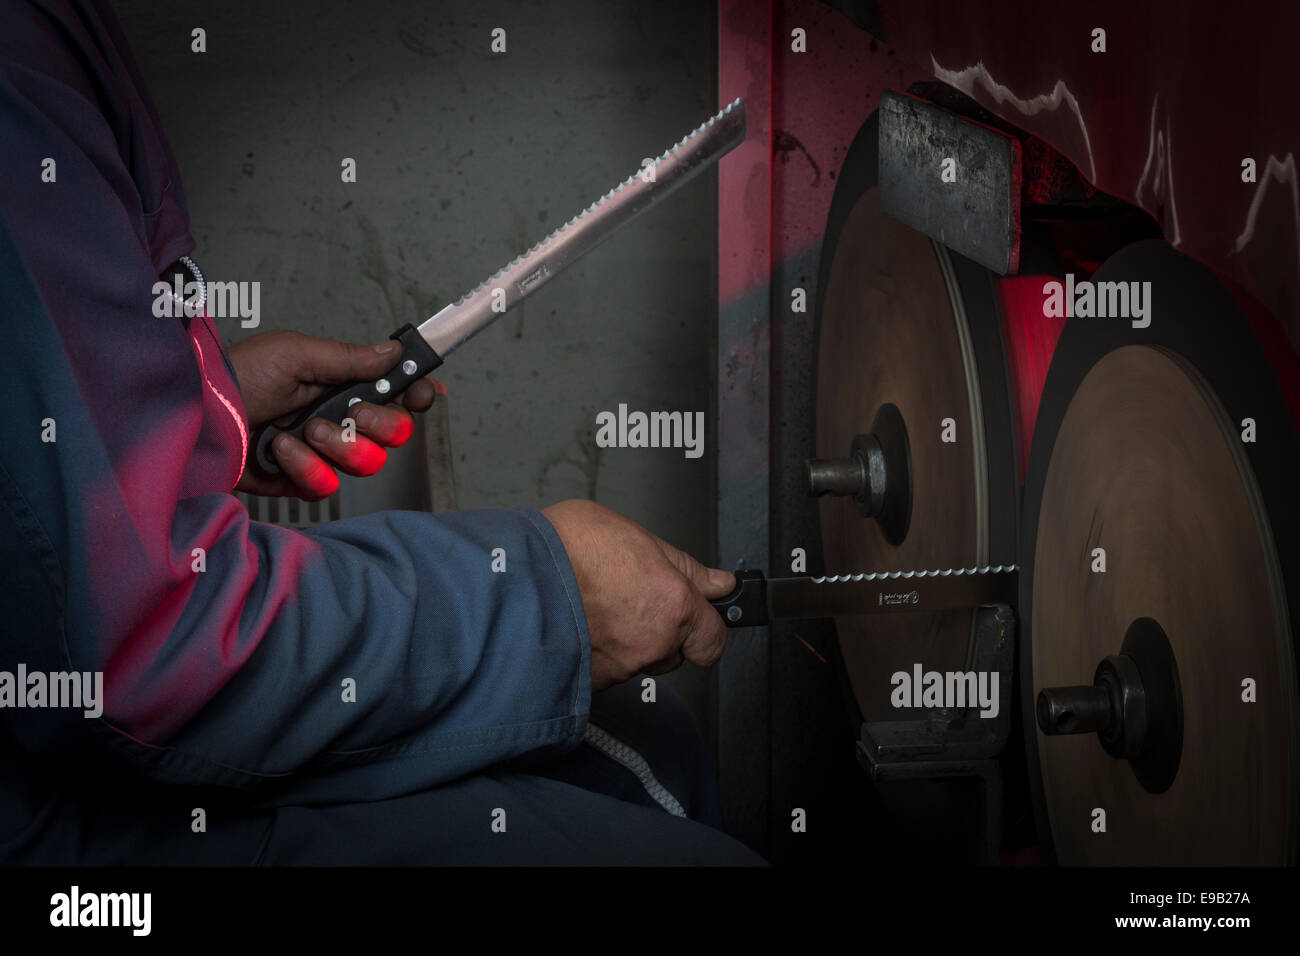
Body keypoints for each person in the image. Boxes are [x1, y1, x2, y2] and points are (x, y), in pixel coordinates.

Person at [0, 0, 762, 865]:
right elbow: (144, 651)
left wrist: (198, 411)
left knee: (647, 744)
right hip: (58, 827)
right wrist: (551, 599)